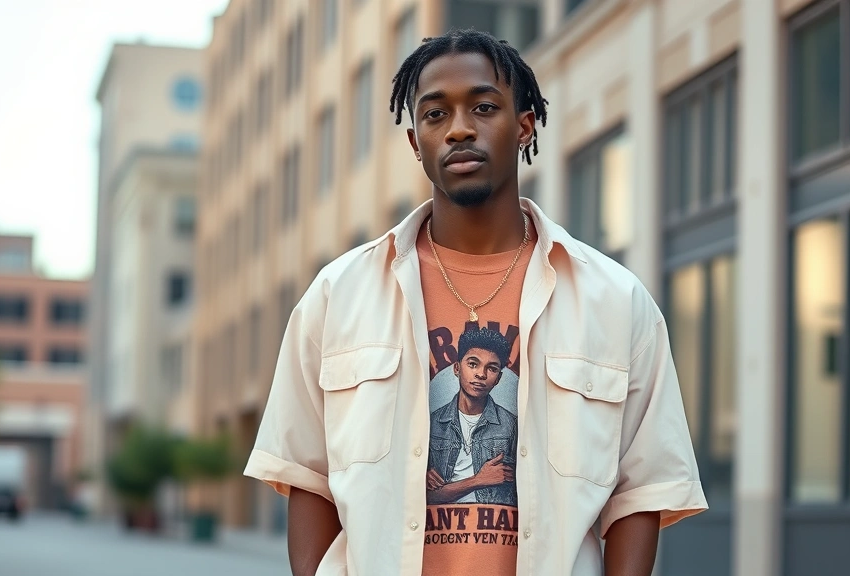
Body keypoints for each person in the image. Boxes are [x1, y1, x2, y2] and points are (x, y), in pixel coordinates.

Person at [245, 28, 706, 576]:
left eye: (484, 107)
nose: (459, 128)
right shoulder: (338, 295)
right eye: (435, 114)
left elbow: (643, 490)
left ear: (524, 126)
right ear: (416, 141)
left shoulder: (616, 301)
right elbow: (308, 478)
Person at [426, 327, 518, 507]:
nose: (481, 374)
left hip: (492, 529)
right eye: (473, 364)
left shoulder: (510, 425)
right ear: (457, 368)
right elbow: (421, 497)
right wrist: (479, 479)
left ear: (498, 378)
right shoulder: (432, 423)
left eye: (491, 368)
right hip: (441, 529)